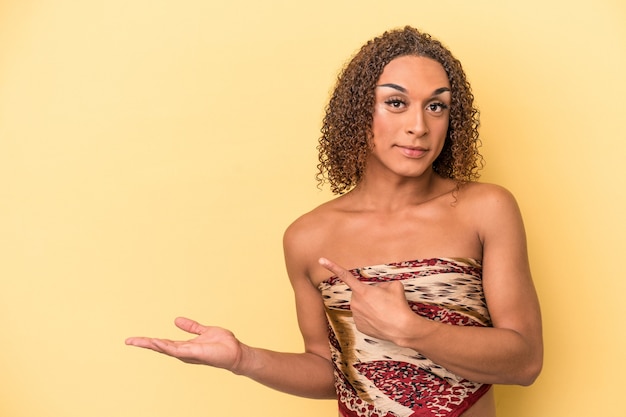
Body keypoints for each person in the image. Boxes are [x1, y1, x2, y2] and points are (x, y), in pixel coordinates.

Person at [125, 26, 543, 417]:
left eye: (436, 106)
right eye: (396, 103)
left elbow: (525, 362)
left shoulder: (485, 208)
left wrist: (411, 330)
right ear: (359, 112)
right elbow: (332, 371)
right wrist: (244, 359)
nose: (418, 126)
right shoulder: (308, 237)